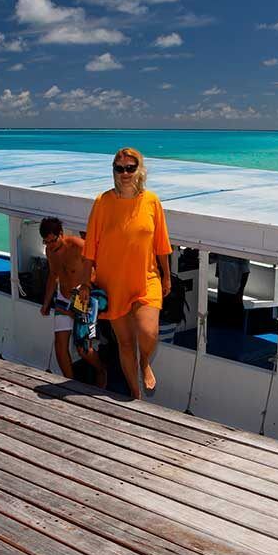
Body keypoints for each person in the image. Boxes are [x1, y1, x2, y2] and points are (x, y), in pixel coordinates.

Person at [79, 147, 172, 399]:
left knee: (148, 331)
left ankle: (145, 364)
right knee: (126, 343)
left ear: (139, 169)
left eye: (130, 167)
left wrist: (166, 275)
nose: (125, 173)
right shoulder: (103, 202)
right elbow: (90, 248)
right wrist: (85, 283)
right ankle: (135, 393)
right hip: (113, 282)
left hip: (146, 277)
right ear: (114, 172)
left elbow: (161, 244)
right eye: (120, 169)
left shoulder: (152, 201)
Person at [39, 217, 107, 387]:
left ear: (61, 234)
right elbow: (53, 276)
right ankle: (71, 384)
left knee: (83, 349)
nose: (50, 245)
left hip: (83, 299)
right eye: (46, 242)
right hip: (63, 298)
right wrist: (46, 303)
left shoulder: (79, 246)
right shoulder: (49, 251)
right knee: (60, 346)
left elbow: (99, 267)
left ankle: (101, 371)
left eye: (53, 241)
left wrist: (92, 291)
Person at [216, 255, 251, 330]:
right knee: (222, 322)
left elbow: (246, 273)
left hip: (235, 292)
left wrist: (240, 291)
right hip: (222, 290)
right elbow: (219, 271)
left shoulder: (241, 255)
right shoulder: (220, 252)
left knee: (235, 323)